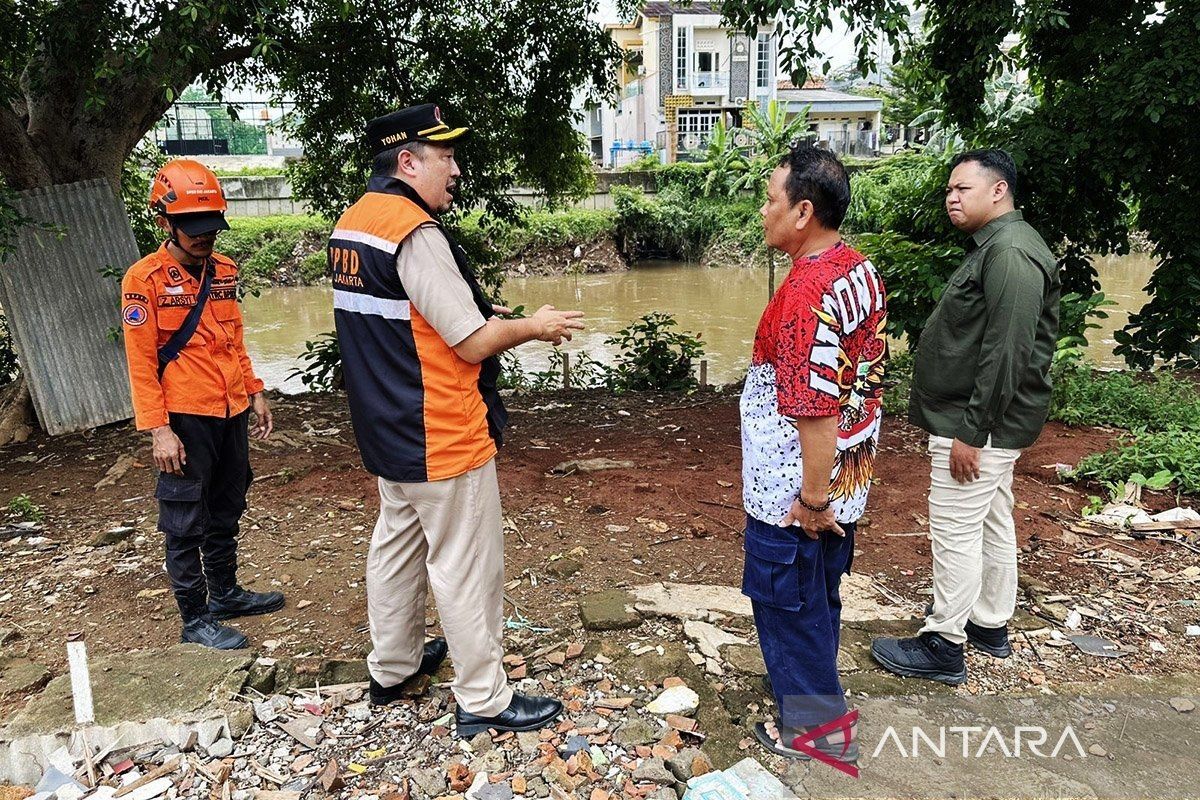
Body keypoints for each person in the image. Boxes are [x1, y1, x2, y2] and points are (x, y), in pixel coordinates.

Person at [331, 103, 584, 736]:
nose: (457, 169)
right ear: (408, 161)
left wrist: (476, 308)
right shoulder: (415, 232)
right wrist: (532, 326)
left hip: (386, 431)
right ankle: (484, 699)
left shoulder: (355, 224)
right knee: (466, 564)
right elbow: (470, 343)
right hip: (440, 431)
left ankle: (392, 668)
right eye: (445, 157)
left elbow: (403, 316)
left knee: (396, 548)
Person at [871, 148, 1059, 685]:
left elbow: (1007, 351)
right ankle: (989, 624)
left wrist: (971, 431)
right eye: (949, 190)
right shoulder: (999, 246)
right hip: (986, 421)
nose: (951, 198)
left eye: (963, 189)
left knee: (955, 527)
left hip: (978, 424)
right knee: (993, 516)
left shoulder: (1012, 255)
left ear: (998, 191)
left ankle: (943, 644)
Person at [741, 144, 888, 762]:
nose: (763, 211)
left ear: (803, 212)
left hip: (798, 491)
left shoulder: (806, 292)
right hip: (845, 479)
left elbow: (815, 409)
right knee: (819, 594)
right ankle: (818, 698)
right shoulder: (857, 268)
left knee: (787, 603)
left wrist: (810, 499)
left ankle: (817, 731)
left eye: (771, 200)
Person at [121, 158, 283, 651]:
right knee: (185, 515)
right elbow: (141, 361)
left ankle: (226, 593)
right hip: (184, 418)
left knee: (228, 502)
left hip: (230, 409)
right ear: (164, 222)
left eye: (209, 227)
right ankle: (194, 617)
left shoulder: (225, 271)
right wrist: (158, 429)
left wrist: (255, 390)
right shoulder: (143, 280)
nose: (203, 237)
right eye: (191, 228)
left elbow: (234, 338)